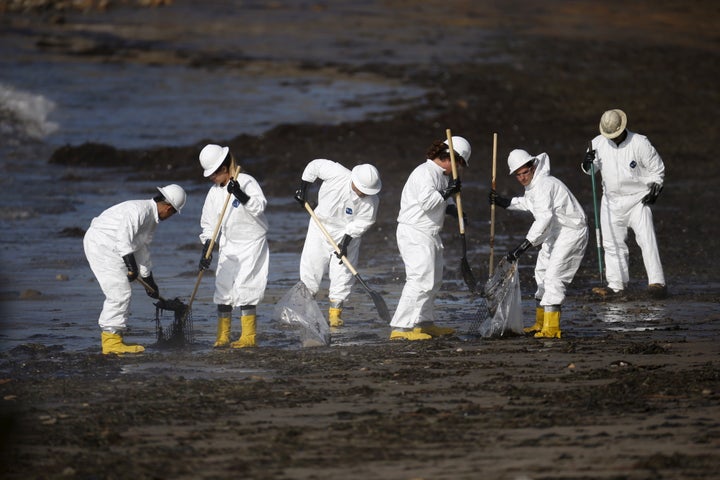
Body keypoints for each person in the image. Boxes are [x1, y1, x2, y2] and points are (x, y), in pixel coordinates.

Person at [489, 149, 588, 338]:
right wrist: (504, 202)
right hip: (556, 231)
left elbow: (543, 218)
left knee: (553, 277)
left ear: (533, 167)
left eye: (525, 172)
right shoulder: (535, 186)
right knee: (541, 273)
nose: (522, 178)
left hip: (572, 231)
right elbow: (530, 203)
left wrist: (523, 247)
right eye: (518, 175)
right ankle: (540, 323)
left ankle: (551, 328)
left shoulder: (544, 184)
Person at [84, 184, 187, 354]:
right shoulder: (139, 210)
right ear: (169, 208)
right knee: (119, 292)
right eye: (173, 213)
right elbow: (124, 238)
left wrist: (149, 280)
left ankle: (114, 338)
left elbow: (141, 248)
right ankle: (111, 343)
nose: (170, 217)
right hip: (101, 244)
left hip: (112, 246)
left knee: (121, 291)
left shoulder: (149, 219)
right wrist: (131, 266)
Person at [389, 136, 471, 341]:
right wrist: (447, 192)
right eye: (459, 164)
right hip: (415, 232)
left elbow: (441, 200)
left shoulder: (441, 175)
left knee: (433, 280)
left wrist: (453, 209)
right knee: (419, 280)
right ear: (450, 157)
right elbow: (427, 202)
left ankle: (424, 323)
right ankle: (400, 327)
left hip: (430, 232)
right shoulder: (424, 173)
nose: (458, 169)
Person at [583, 109, 666, 299]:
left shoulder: (640, 142)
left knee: (646, 239)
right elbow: (590, 171)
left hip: (638, 198)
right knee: (612, 243)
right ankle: (616, 284)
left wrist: (656, 187)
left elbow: (657, 169)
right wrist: (586, 163)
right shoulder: (596, 144)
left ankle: (657, 282)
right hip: (611, 201)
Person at [293, 159, 382, 327]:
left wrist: (346, 243)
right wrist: (303, 189)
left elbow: (362, 223)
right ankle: (305, 310)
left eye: (367, 191)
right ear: (354, 180)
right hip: (320, 225)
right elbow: (314, 166)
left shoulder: (371, 201)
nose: (363, 194)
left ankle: (335, 316)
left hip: (346, 232)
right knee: (311, 266)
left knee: (343, 273)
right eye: (362, 189)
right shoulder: (337, 173)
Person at [198, 144, 269, 348]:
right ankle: (223, 334)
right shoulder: (213, 193)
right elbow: (209, 223)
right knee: (224, 286)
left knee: (247, 285)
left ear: (223, 167)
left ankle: (248, 335)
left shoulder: (246, 181)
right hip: (230, 244)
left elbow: (260, 207)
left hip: (252, 242)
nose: (211, 178)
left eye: (213, 173)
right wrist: (207, 247)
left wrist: (241, 195)